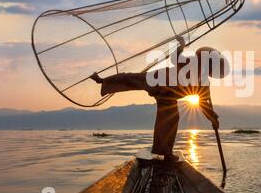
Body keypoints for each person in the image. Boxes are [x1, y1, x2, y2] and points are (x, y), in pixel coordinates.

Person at [89, 36, 228, 162]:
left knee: (170, 119)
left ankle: (163, 151)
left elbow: (205, 104)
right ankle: (102, 81)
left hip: (168, 96)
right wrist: (181, 45)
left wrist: (213, 118)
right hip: (158, 81)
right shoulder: (191, 62)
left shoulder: (204, 83)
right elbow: (175, 58)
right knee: (131, 78)